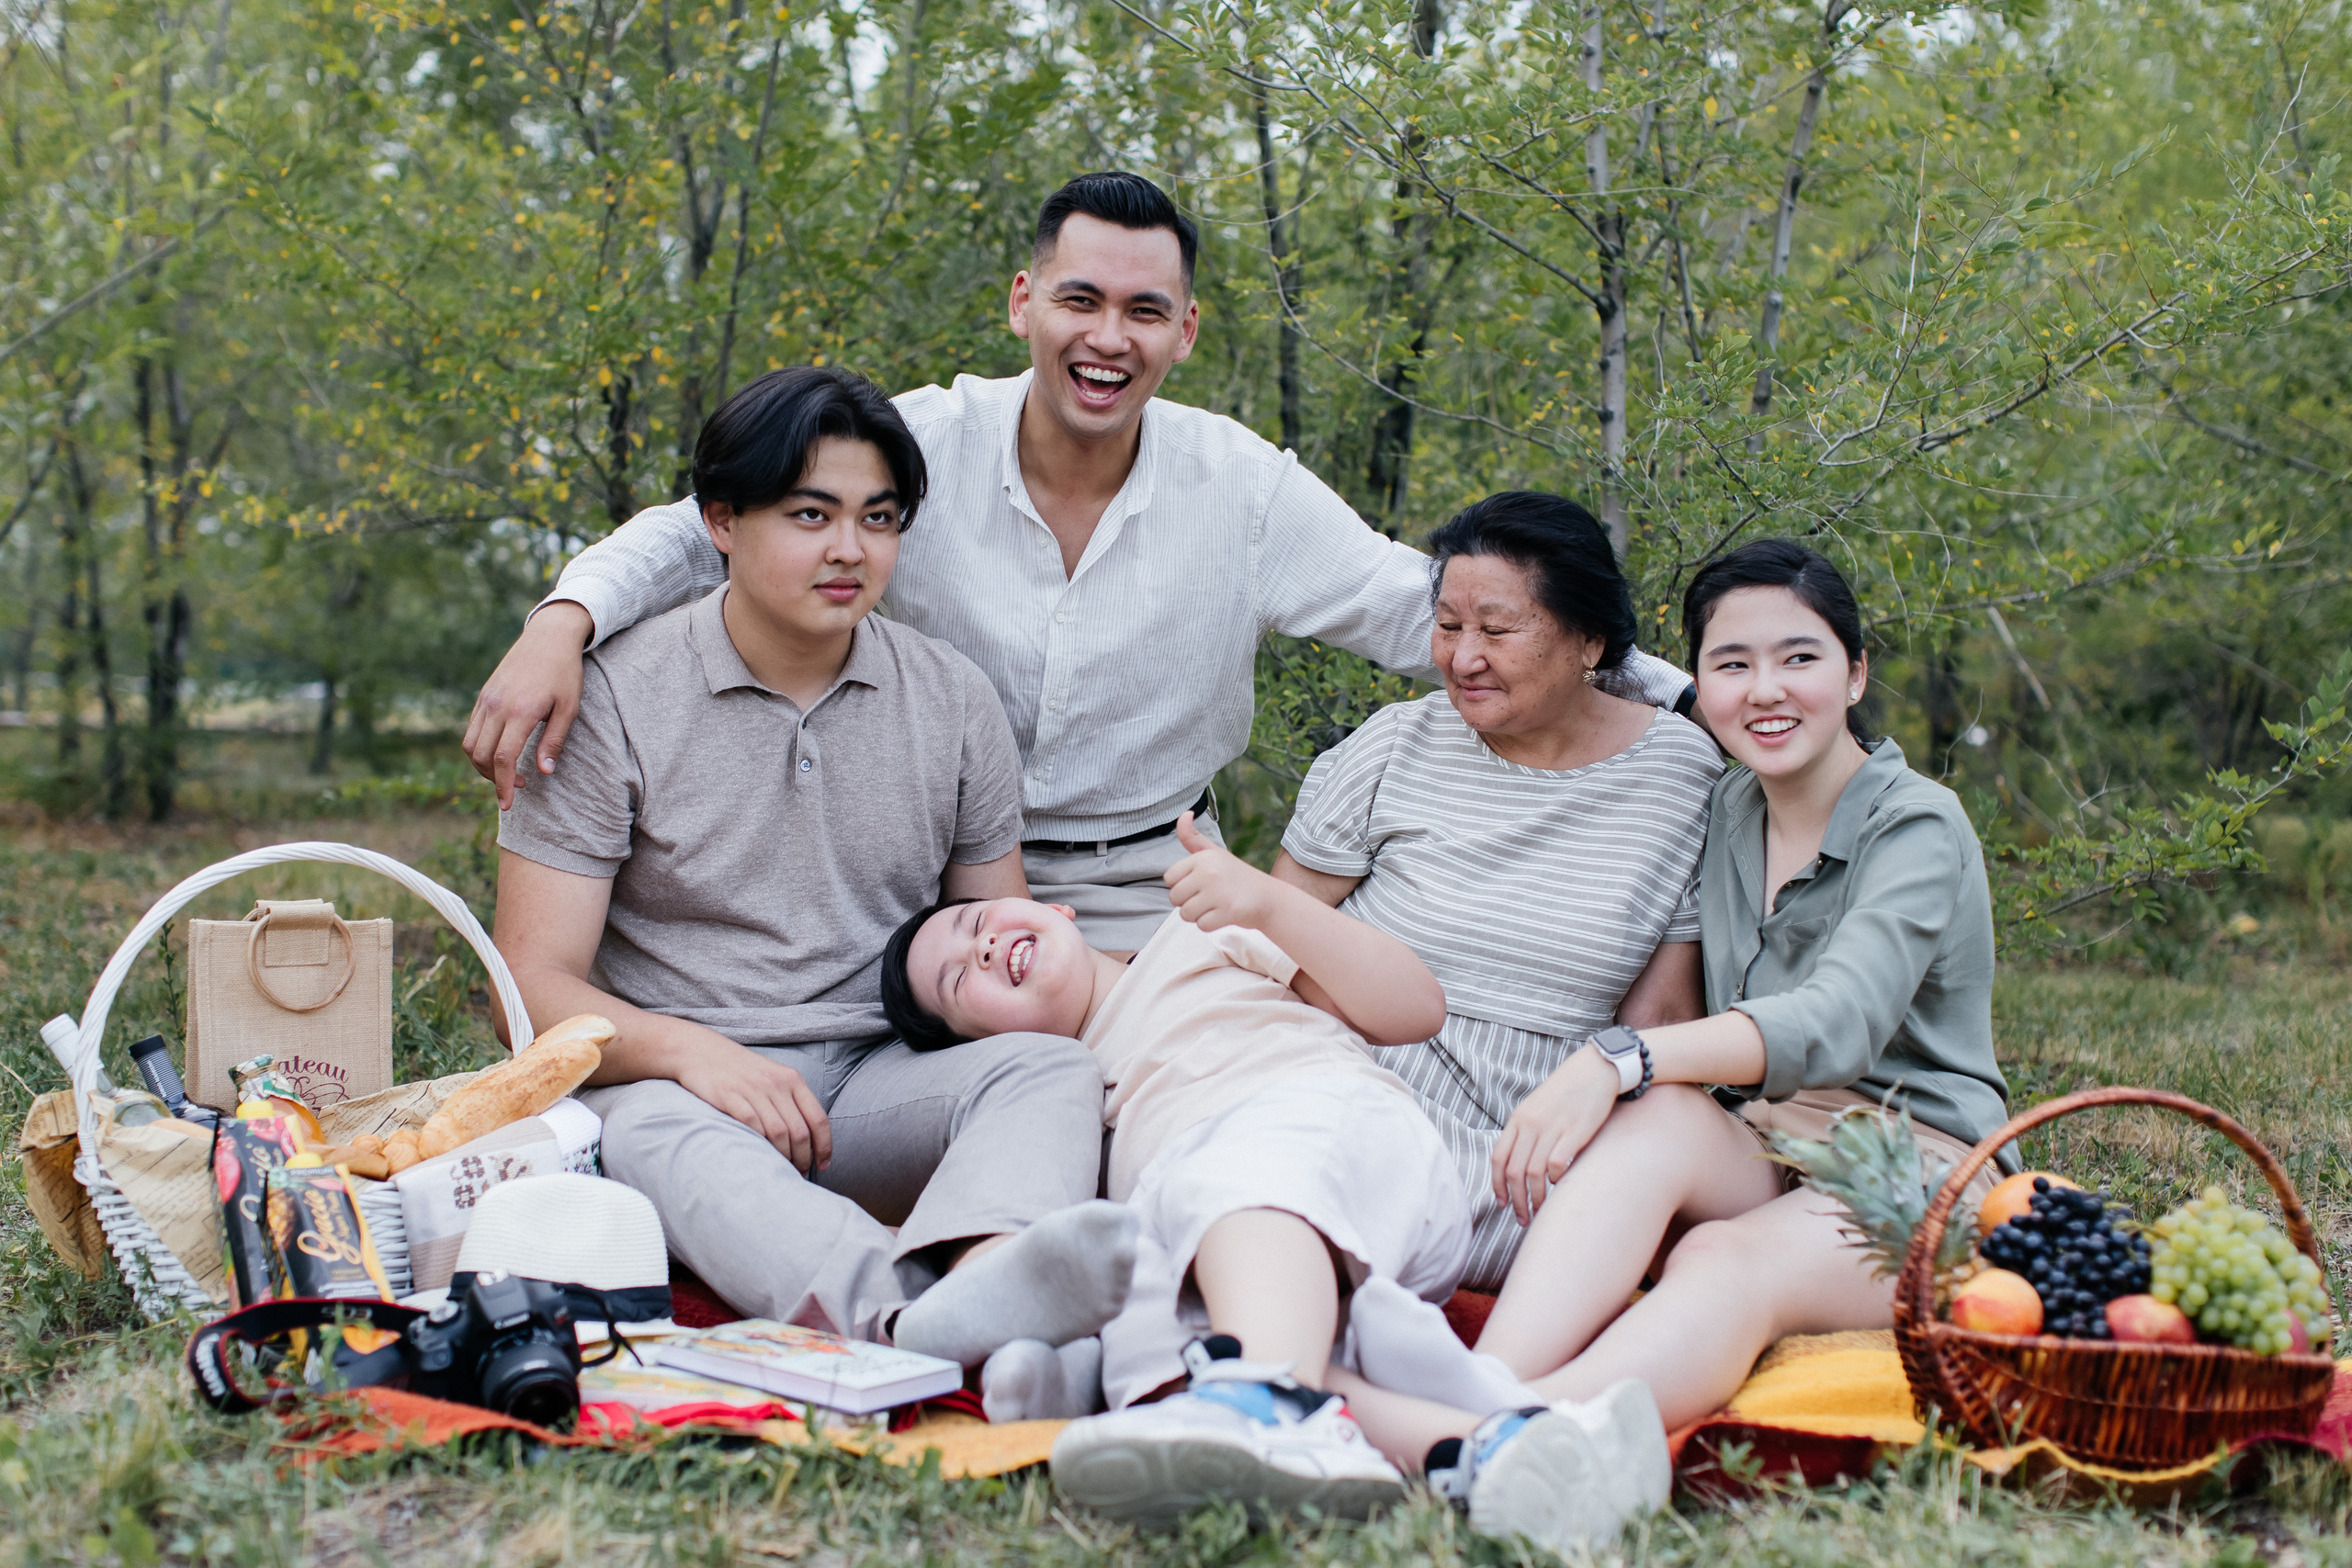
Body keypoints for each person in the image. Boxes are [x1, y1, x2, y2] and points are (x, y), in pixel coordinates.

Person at [462, 172, 1692, 949]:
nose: (1108, 338)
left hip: (1151, 891)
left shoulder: (1243, 489)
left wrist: (1685, 696)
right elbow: (702, 527)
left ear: (1187, 332)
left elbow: (1425, 610)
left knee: (1195, 1103)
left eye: (1145, 312)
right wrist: (560, 617)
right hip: (909, 876)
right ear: (1024, 302)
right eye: (1080, 299)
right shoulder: (918, 444)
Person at [1317, 538, 2011, 1555]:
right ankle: (1485, 1387)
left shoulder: (1918, 826)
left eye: (1800, 659)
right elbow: (1616, 670)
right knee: (1660, 1119)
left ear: (1855, 673)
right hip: (1766, 1151)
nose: (1765, 691)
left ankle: (1499, 1434)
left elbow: (1838, 1022)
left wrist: (1613, 1059)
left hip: (1915, 1177)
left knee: (1718, 1252)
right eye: (1731, 664)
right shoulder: (1728, 804)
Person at [492, 367, 1135, 1371]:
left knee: (1046, 1066)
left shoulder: (950, 697)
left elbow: (1001, 934)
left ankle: (997, 1286)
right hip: (685, 1079)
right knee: (648, 1136)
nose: (849, 549)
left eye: (877, 518)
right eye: (810, 514)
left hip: (881, 1076)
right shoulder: (612, 697)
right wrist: (690, 1055)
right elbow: (524, 989)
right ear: (720, 524)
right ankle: (906, 1320)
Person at [877, 817, 1475, 1524]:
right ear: (980, 1050)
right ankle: (1472, 1444)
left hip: (1338, 1137)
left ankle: (1268, 1402)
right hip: (1261, 1264)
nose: (982, 946)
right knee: (1149, 1338)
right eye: (957, 979)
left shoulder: (1198, 933)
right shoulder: (1051, 1103)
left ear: (1054, 906)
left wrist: (1267, 901)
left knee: (1230, 1176)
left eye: (976, 920)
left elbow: (1417, 1008)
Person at [1272, 492, 1724, 1290]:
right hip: (1339, 1081)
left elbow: (1661, 1023)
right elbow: (1276, 940)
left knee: (1332, 1220)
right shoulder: (1397, 743)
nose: (1462, 656)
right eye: (1447, 625)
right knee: (1277, 1178)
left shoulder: (1682, 779)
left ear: (1589, 640)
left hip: (1528, 1148)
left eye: (1496, 628)